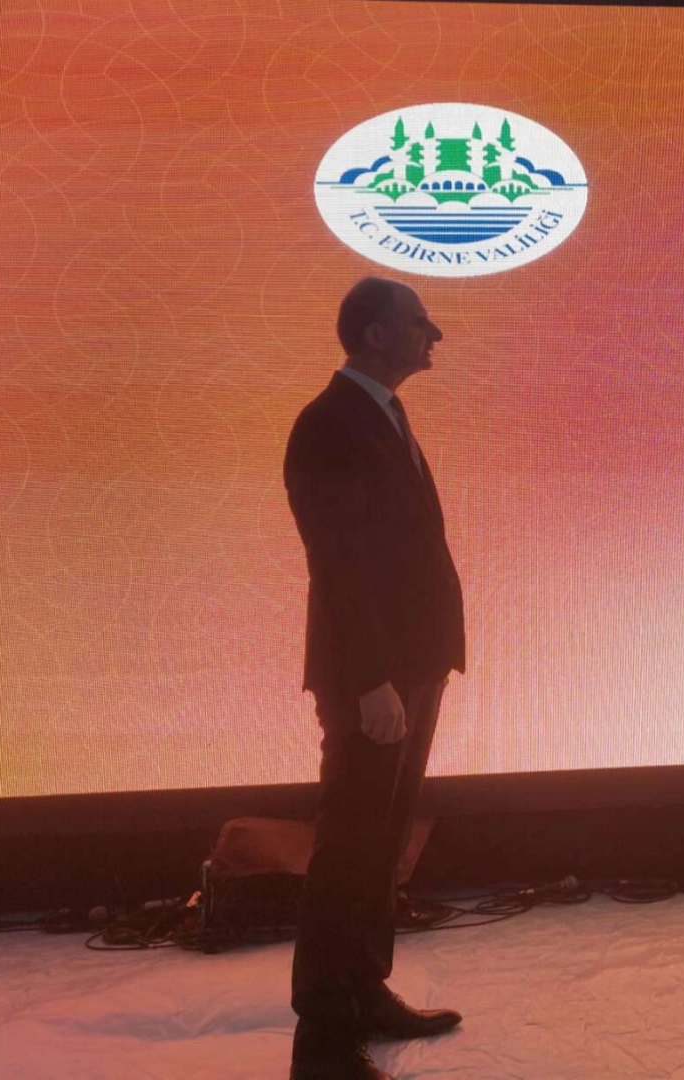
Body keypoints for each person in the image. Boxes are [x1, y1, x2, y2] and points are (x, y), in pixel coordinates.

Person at [284, 276, 466, 1080]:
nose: (435, 334)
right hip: (375, 678)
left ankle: (365, 991)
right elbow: (339, 565)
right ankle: (323, 1040)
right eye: (419, 322)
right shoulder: (329, 425)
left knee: (382, 842)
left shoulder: (382, 414)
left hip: (413, 666)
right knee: (350, 847)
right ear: (375, 335)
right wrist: (369, 681)